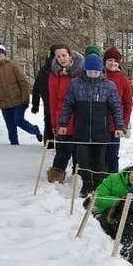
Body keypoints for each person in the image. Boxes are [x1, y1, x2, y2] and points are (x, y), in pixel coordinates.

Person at [58, 52, 125, 195]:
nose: (93, 74)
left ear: (101, 71)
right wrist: (63, 124)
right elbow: (67, 105)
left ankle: (100, 186)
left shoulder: (109, 86)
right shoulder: (76, 84)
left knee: (100, 161)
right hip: (81, 131)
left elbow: (116, 107)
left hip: (101, 131)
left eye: (96, 71)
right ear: (85, 70)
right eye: (90, 71)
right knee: (83, 161)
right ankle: (87, 184)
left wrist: (119, 126)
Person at [0, 44, 42, 145]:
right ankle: (14, 147)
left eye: (0, 53)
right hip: (4, 104)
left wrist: (25, 99)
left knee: (18, 121)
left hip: (18, 101)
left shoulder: (12, 66)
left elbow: (23, 83)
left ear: (4, 54)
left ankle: (35, 130)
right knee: (10, 127)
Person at [46, 45, 84, 183]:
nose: (61, 59)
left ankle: (78, 177)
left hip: (79, 115)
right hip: (62, 116)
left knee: (78, 151)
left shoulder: (81, 72)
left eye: (64, 55)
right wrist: (54, 122)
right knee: (62, 149)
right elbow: (52, 100)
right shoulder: (54, 75)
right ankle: (56, 176)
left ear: (70, 55)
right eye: (58, 56)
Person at [103, 46, 133, 173]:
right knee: (99, 154)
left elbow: (128, 104)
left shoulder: (123, 79)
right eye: (110, 60)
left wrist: (123, 124)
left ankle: (112, 179)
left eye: (116, 61)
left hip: (115, 125)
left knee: (112, 154)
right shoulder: (99, 75)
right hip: (99, 123)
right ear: (105, 61)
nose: (113, 63)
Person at [31, 44, 64, 150]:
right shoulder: (45, 70)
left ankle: (57, 144)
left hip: (60, 103)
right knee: (49, 122)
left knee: (57, 122)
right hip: (48, 102)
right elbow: (36, 88)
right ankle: (50, 144)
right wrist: (35, 104)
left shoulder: (64, 70)